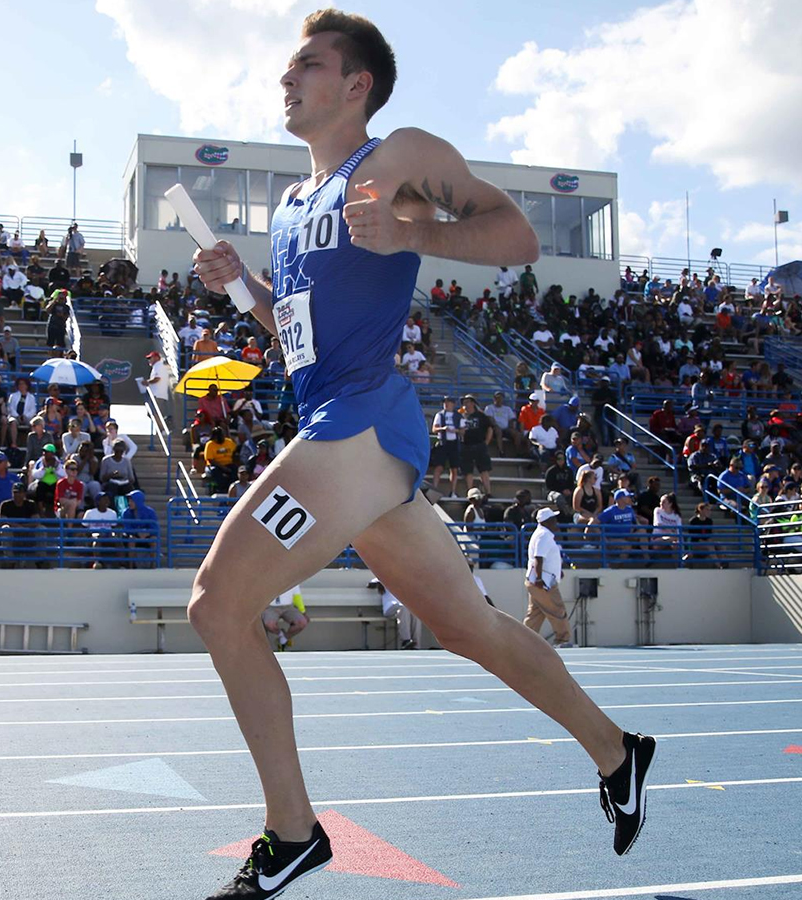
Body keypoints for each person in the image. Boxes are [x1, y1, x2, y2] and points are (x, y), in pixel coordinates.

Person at [188, 14, 650, 896]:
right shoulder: (292, 207)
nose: (286, 82)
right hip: (337, 423)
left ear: (355, 84)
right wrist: (240, 285)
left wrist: (410, 236)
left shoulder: (396, 156)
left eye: (307, 66)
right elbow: (296, 341)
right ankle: (616, 751)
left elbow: (515, 238)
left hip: (363, 425)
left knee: (217, 606)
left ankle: (292, 834)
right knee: (468, 627)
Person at [526, 507, 573, 647]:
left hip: (537, 581)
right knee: (557, 609)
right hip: (543, 582)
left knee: (535, 615)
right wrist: (540, 579)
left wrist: (558, 571)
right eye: (553, 519)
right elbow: (538, 558)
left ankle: (524, 641)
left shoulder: (541, 534)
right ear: (547, 521)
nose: (556, 522)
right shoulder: (544, 535)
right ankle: (563, 639)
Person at [262, 584, 310, 648]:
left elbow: (297, 596)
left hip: (288, 607)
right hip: (270, 607)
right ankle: (281, 635)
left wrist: (303, 612)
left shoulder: (292, 579)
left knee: (302, 622)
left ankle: (283, 639)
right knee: (269, 624)